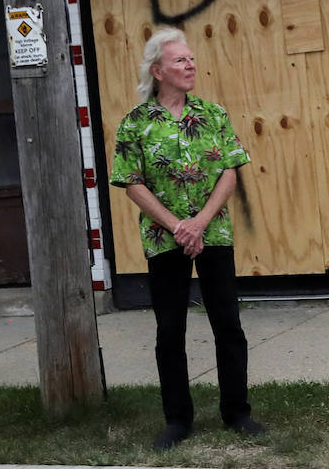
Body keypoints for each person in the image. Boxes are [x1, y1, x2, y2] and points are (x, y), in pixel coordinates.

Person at [109, 26, 265, 448]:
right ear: (158, 71)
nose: (190, 65)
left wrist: (198, 223)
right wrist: (177, 225)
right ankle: (177, 420)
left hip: (213, 234)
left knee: (228, 324)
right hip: (164, 240)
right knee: (170, 329)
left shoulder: (213, 115)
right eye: (180, 60)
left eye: (191, 58)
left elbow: (229, 171)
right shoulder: (136, 123)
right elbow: (131, 182)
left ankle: (237, 413)